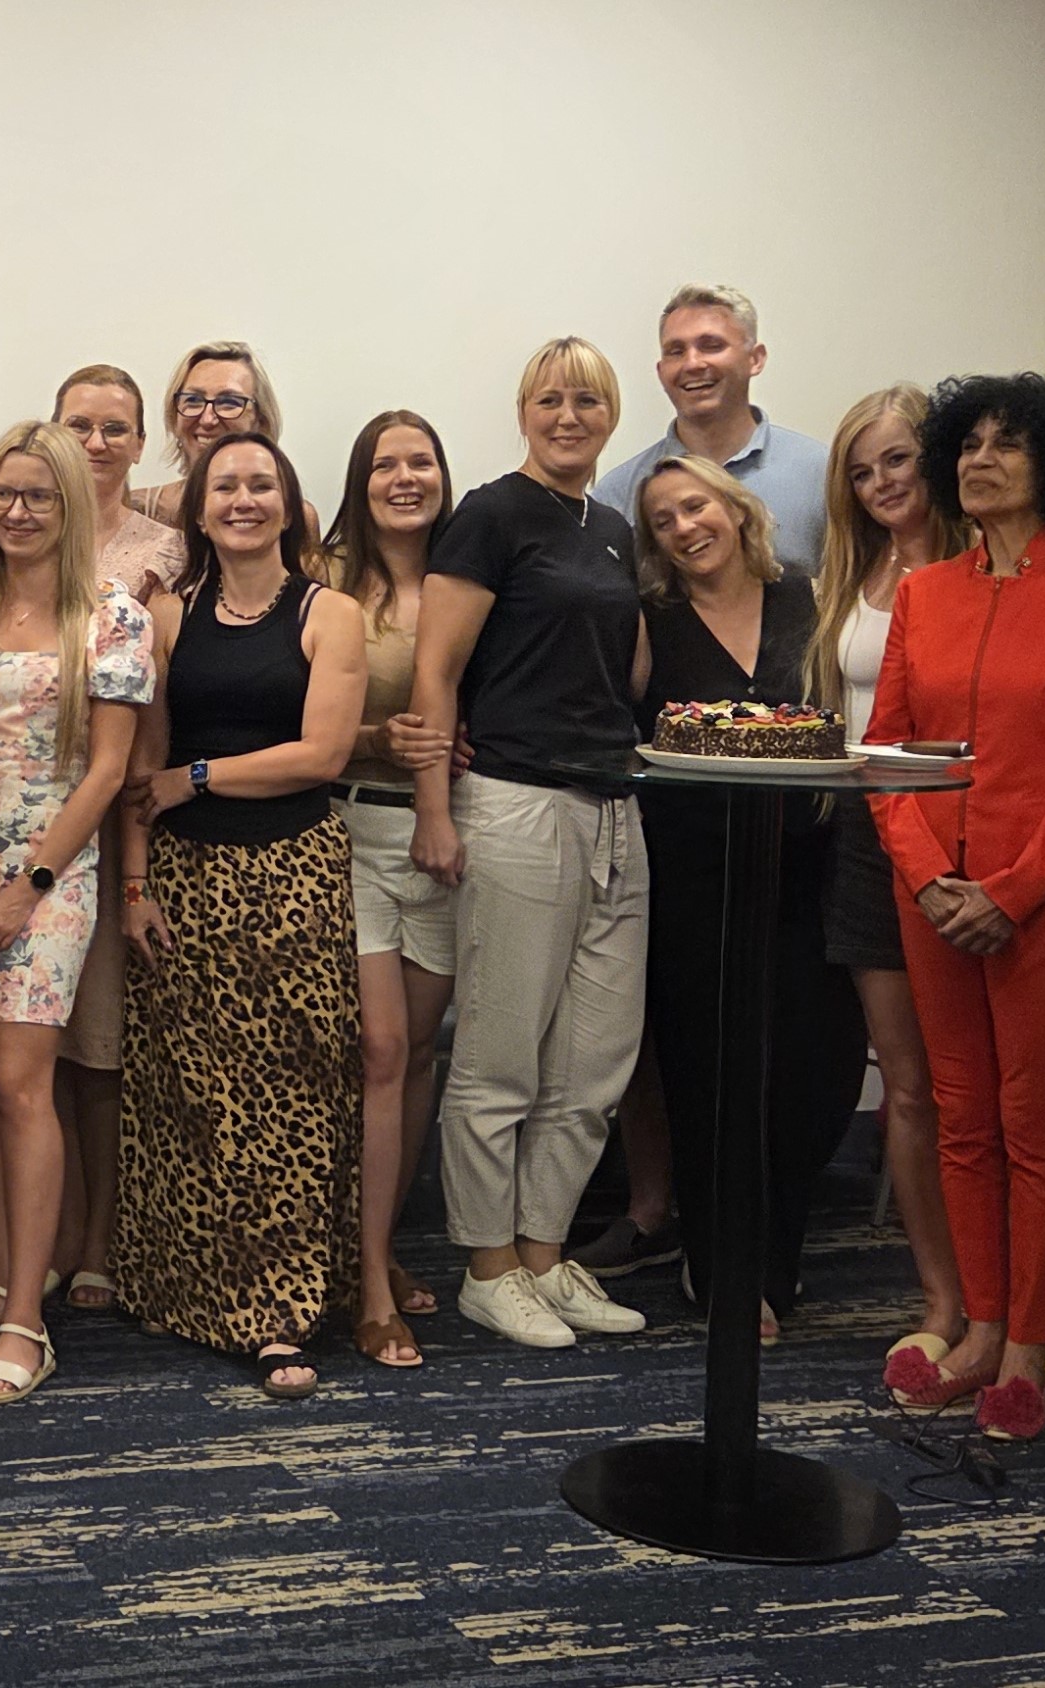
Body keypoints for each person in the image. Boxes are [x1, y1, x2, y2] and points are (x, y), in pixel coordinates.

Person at [869, 374, 1045, 1442]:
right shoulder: (924, 595)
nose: (981, 460)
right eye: (969, 443)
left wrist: (1013, 890)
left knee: (1031, 1123)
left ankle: (1030, 1344)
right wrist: (928, 876)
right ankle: (980, 1329)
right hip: (932, 897)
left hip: (1044, 900)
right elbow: (887, 759)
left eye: (1008, 444)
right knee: (961, 1116)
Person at [409, 337, 651, 1350]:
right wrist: (433, 807)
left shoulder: (614, 528)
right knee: (500, 1059)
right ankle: (487, 1266)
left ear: (610, 415)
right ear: (523, 411)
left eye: (586, 400)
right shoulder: (491, 515)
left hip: (613, 809)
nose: (567, 416)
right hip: (513, 803)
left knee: (593, 1064)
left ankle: (545, 1256)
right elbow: (435, 671)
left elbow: (624, 672)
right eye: (549, 399)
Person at [116, 431, 365, 1399]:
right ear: (200, 506)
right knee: (191, 1094)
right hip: (182, 878)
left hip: (292, 875)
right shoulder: (167, 614)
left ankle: (280, 1309)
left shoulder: (329, 612)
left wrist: (199, 776)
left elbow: (321, 754)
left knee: (292, 1093)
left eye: (262, 484)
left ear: (289, 505)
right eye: (225, 485)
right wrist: (133, 886)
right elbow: (142, 767)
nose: (243, 499)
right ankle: (188, 1291)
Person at [0, 421, 152, 1401]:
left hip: (50, 879)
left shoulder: (112, 616)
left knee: (21, 1080)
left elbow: (107, 770)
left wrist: (29, 886)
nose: (17, 511)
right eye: (2, 493)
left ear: (68, 504)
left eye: (38, 496)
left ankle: (26, 1323)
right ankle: (9, 1279)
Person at [630, 457, 869, 1337]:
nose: (683, 527)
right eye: (661, 520)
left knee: (815, 1071)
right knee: (705, 1074)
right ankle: (718, 1262)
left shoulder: (809, 599)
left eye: (694, 506)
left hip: (807, 874)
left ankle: (779, 1245)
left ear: (734, 509)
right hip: (692, 878)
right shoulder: (651, 621)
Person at [805, 383, 967, 1377]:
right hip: (867, 839)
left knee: (978, 1089)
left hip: (966, 837)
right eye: (861, 472)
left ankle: (1012, 1303)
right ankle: (942, 1297)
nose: (880, 485)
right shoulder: (848, 573)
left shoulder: (983, 568)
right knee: (907, 1087)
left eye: (897, 460)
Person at [46, 364, 185, 1307]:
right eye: (79, 425)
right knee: (27, 1053)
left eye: (115, 428)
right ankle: (44, 1234)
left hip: (110, 819)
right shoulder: (16, 529)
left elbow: (157, 715)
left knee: (97, 1049)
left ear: (141, 442)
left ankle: (96, 1238)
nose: (96, 443)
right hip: (11, 821)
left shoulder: (168, 548)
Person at [323, 410, 459, 1369]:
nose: (404, 479)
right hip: (356, 831)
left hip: (448, 838)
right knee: (376, 1050)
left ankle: (382, 1242)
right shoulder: (329, 581)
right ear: (359, 482)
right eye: (385, 465)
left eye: (421, 462)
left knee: (416, 1059)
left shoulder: (472, 577)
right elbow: (294, 719)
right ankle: (368, 1282)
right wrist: (378, 740)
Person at [595, 283, 832, 575]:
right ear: (661, 371)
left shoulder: (822, 474)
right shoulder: (618, 495)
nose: (693, 363)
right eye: (676, 351)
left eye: (711, 346)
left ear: (755, 359)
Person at [129, 341, 320, 534]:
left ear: (260, 420)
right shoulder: (137, 510)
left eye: (229, 402)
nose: (207, 419)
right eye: (193, 400)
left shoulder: (296, 518)